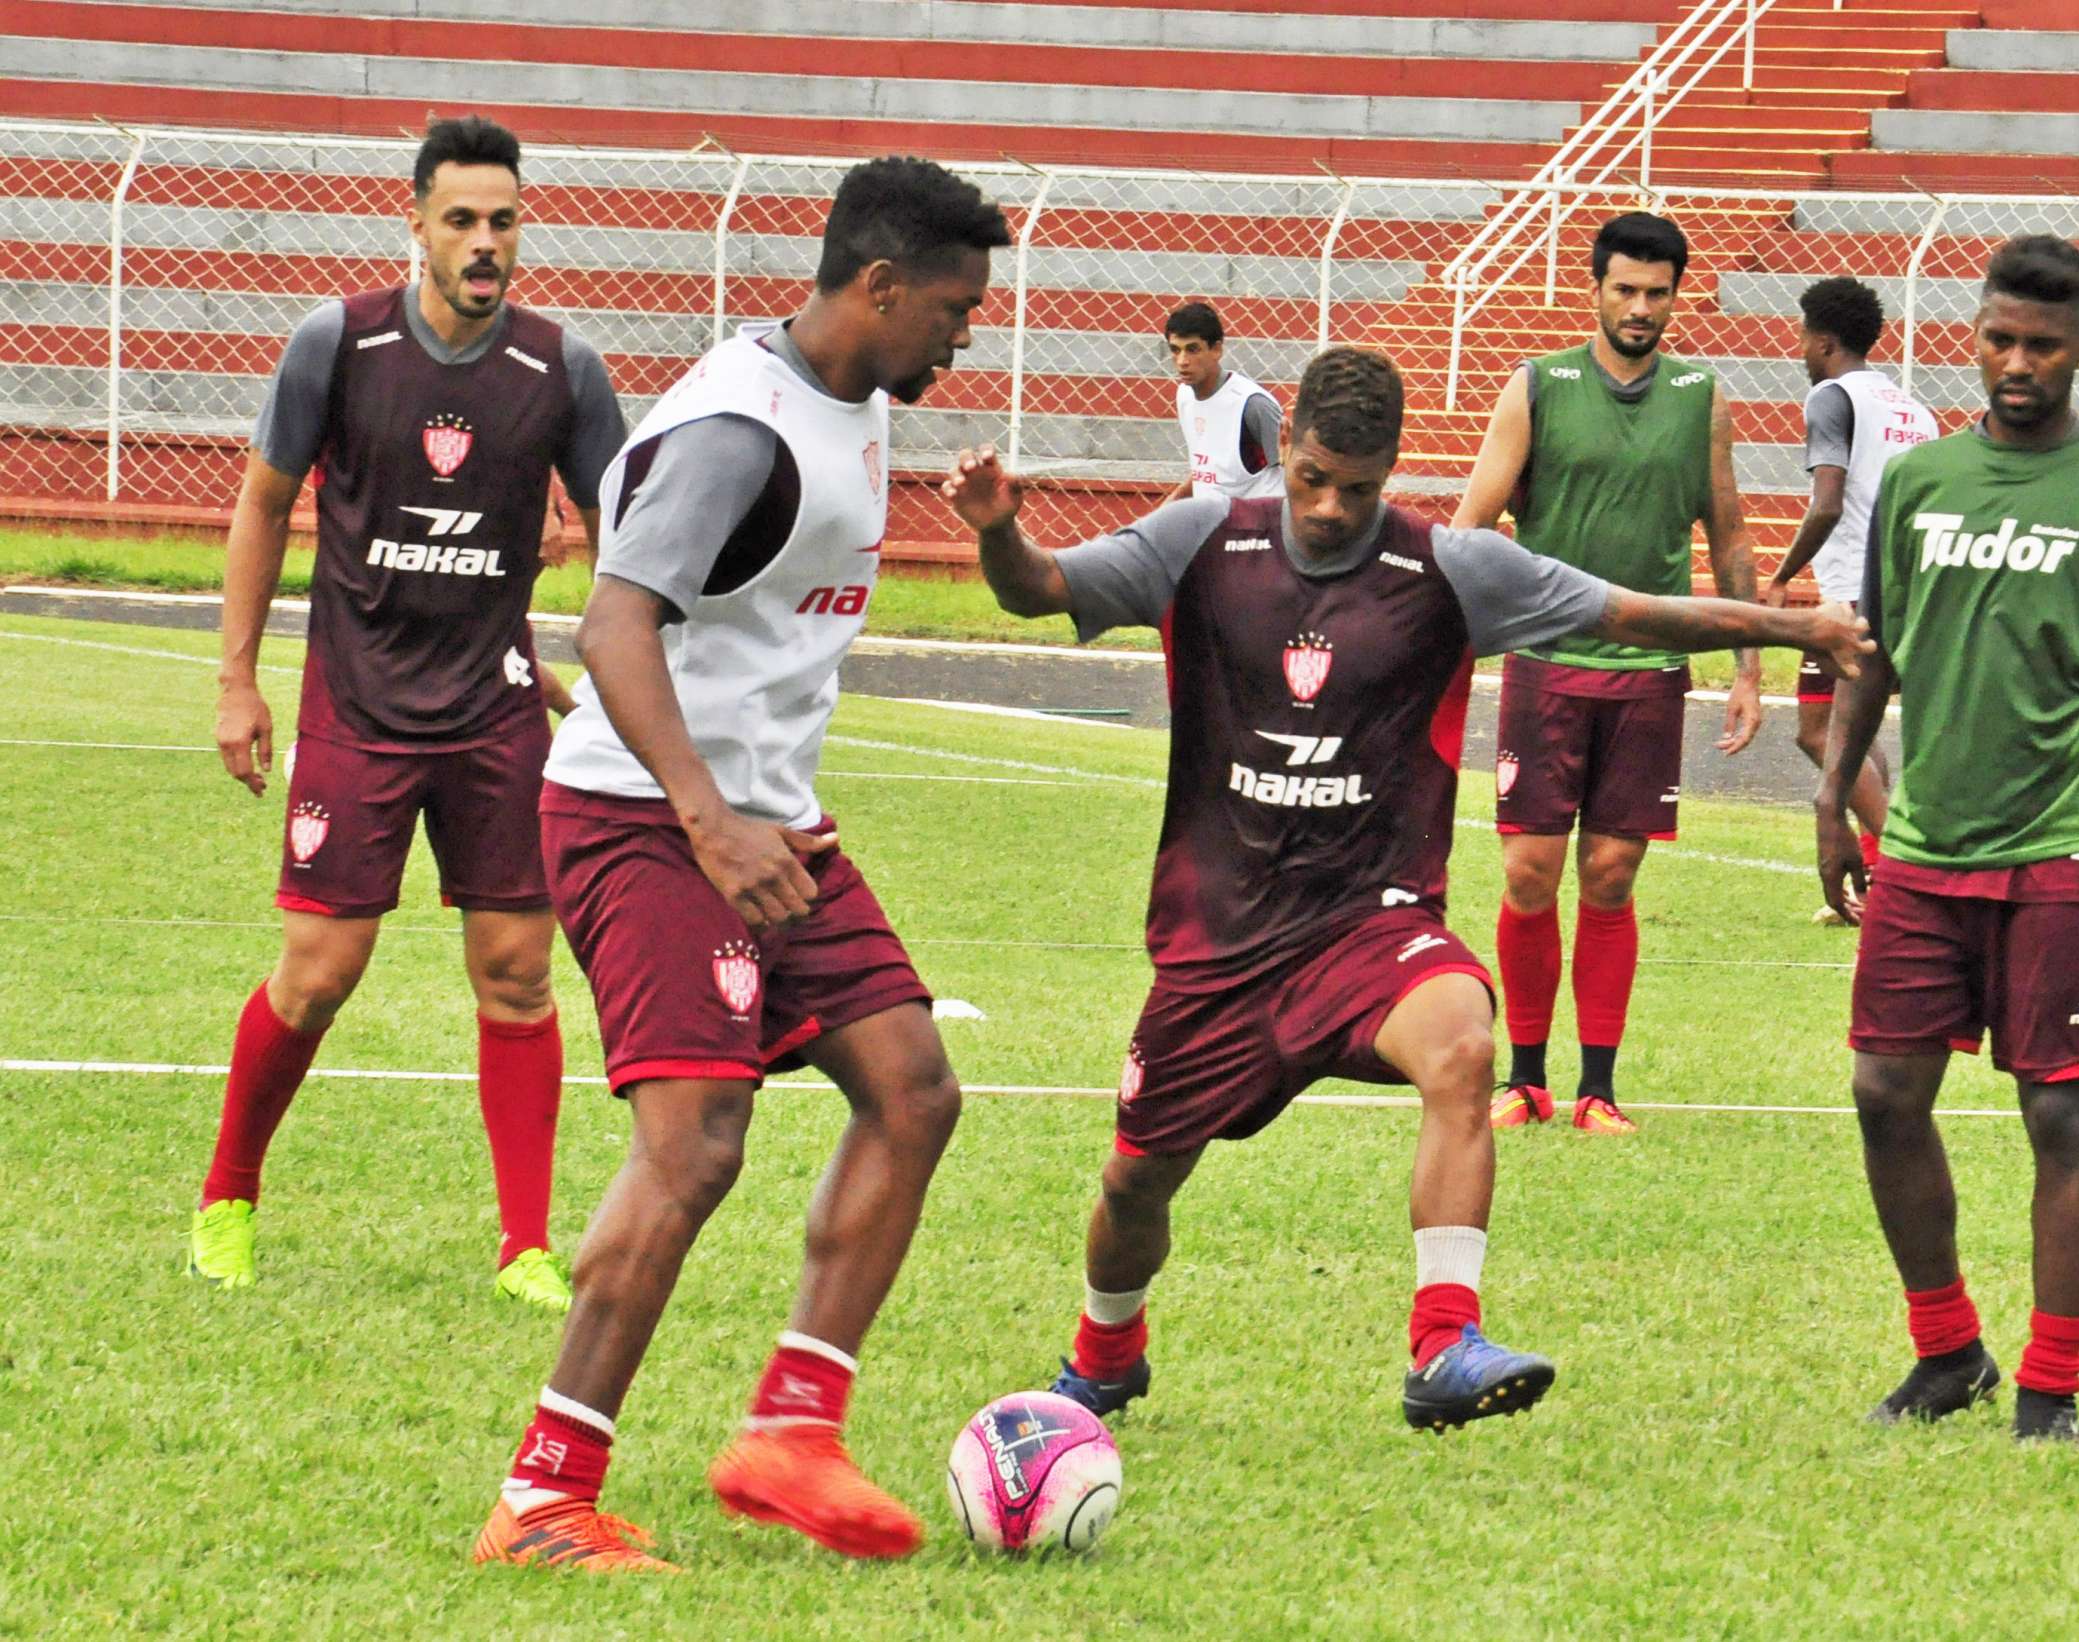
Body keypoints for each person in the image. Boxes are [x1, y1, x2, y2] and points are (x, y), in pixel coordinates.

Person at [945, 347, 1867, 1434]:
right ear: (1282, 449)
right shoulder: (1201, 540)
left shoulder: (1450, 568)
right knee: (1134, 1185)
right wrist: (999, 528)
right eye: (1312, 478)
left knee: (1462, 1043)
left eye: (1360, 487)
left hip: (1368, 927)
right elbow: (1040, 590)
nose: (1331, 507)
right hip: (1219, 942)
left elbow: (1630, 613)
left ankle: (1443, 1342)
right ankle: (1106, 1352)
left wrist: (1792, 625)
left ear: (1394, 474)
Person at [473, 156, 1010, 1573]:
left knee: (913, 1087)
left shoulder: (857, 397)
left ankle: (795, 1429)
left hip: (771, 821)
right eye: (954, 308)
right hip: (648, 819)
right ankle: (541, 1497)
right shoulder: (737, 429)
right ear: (878, 286)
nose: (967, 334)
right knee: (697, 1140)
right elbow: (611, 629)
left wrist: (745, 813)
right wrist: (707, 814)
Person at [193, 114, 627, 1307]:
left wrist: (585, 645)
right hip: (359, 705)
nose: (484, 243)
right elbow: (261, 506)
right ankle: (228, 1195)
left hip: (493, 713)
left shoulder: (562, 370)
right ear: (418, 225)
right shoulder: (337, 345)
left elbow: (633, 538)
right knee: (320, 969)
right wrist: (239, 678)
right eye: (462, 221)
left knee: (516, 973)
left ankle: (525, 1245)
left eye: (503, 221)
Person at [1816, 235, 2079, 1444]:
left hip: (2067, 841)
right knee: (1884, 1090)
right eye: (1998, 339)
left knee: (2059, 1116)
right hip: (1928, 841)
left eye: (2042, 344)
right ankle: (1947, 1354)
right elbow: (1875, 649)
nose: (2016, 363)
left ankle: (2050, 1383)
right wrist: (1835, 793)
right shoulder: (1922, 484)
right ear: (1972, 339)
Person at [1451, 212, 1759, 1136]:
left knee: (1615, 875)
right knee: (1529, 872)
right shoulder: (1538, 385)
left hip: (1650, 671)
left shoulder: (1702, 395)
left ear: (1677, 297)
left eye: (1657, 293)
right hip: (1548, 664)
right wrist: (1442, 641)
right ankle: (1527, 1078)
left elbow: (1731, 531)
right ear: (1594, 288)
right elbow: (1472, 525)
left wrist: (1746, 666)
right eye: (1624, 289)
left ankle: (1598, 1090)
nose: (1639, 307)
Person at [1762, 276, 1937, 921]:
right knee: (1852, 733)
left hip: (1851, 600)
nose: (1799, 350)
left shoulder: (1831, 399)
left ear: (1825, 341)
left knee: (1817, 734)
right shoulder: (1914, 410)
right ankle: (1869, 883)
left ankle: (1903, 880)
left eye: (1804, 337)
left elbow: (1828, 503)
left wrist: (1782, 576)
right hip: (1910, 592)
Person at [1165, 300, 1285, 504]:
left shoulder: (1253, 405)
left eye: (1193, 349)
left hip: (1258, 530)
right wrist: (1170, 504)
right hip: (1212, 523)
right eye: (1176, 350)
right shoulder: (1184, 395)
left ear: (1217, 350)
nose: (1182, 361)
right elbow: (1211, 472)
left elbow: (1291, 473)